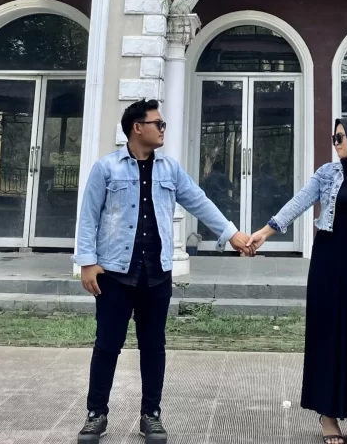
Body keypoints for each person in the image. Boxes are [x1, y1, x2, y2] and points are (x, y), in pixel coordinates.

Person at [74, 99, 252, 443]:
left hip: (156, 273)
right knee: (107, 345)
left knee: (154, 346)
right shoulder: (106, 168)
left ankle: (151, 415)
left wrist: (232, 235)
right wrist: (87, 262)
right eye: (158, 124)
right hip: (114, 272)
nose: (163, 129)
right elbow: (88, 216)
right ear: (137, 127)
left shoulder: (170, 169)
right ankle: (96, 414)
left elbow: (199, 201)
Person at [247, 118, 347, 444]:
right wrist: (265, 232)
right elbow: (299, 203)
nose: (335, 143)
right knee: (327, 335)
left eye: (340, 137)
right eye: (334, 138)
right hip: (328, 262)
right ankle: (328, 415)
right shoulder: (327, 174)